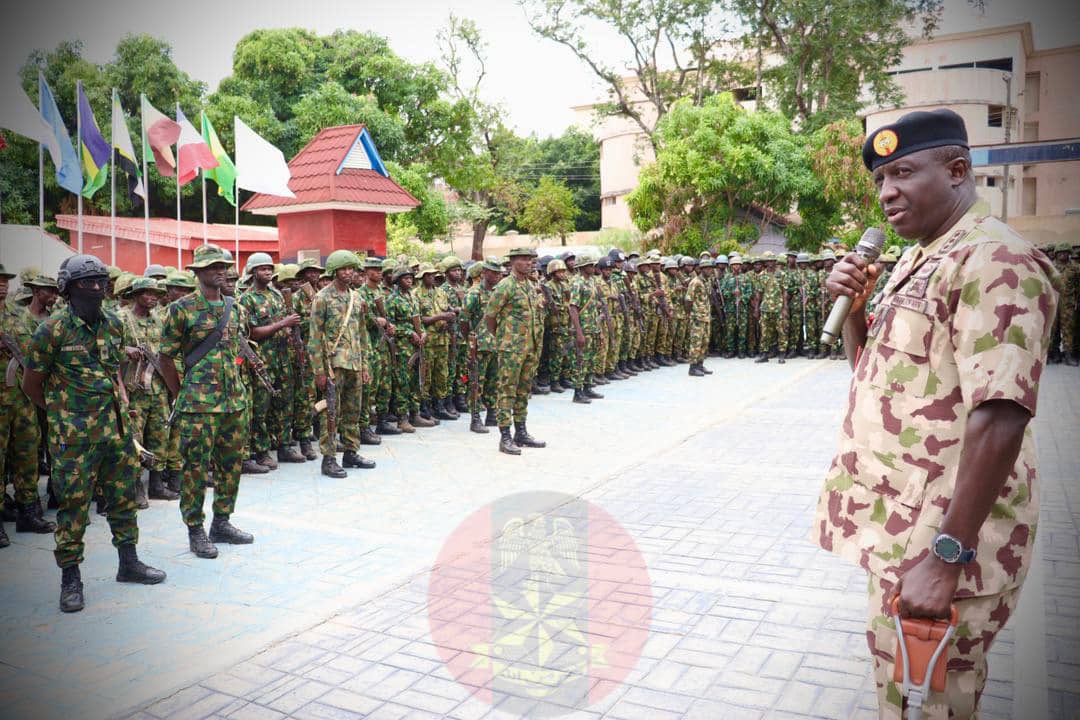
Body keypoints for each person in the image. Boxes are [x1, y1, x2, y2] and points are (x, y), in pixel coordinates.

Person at [811, 108, 1060, 719]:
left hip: (947, 544)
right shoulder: (921, 257)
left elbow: (1002, 414)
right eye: (878, 180)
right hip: (904, 534)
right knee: (901, 696)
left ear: (956, 170)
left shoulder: (994, 261)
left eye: (901, 172)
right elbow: (880, 375)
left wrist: (948, 556)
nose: (886, 191)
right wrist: (857, 311)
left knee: (933, 705)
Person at [23, 255, 166, 612]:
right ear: (68, 288)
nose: (98, 288)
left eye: (101, 281)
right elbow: (32, 385)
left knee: (124, 501)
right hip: (73, 440)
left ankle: (129, 563)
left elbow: (113, 368)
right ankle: (70, 578)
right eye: (88, 281)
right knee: (73, 508)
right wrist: (63, 415)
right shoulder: (52, 330)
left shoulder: (113, 324)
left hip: (116, 433)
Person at [160, 244, 255, 560]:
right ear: (197, 272)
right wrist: (179, 393)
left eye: (223, 265)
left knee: (231, 466)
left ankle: (222, 521)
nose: (220, 270)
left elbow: (235, 351)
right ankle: (195, 529)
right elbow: (165, 358)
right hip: (199, 406)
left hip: (233, 402)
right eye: (212, 266)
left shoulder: (235, 307)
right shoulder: (181, 309)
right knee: (195, 469)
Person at [308, 250, 375, 478]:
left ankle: (351, 451)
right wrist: (319, 371)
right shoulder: (322, 298)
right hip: (333, 365)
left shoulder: (357, 298)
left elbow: (362, 334)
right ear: (334, 271)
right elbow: (315, 337)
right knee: (331, 413)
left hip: (354, 362)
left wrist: (365, 365)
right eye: (343, 269)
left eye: (351, 269)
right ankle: (328, 459)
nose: (348, 273)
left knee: (353, 411)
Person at [119, 278, 179, 505]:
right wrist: (125, 349)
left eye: (156, 294)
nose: (153, 297)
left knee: (160, 436)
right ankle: (135, 487)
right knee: (134, 438)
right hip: (134, 389)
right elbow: (106, 349)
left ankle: (156, 484)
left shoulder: (160, 320)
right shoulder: (123, 319)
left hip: (158, 388)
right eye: (148, 293)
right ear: (135, 295)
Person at [485, 247, 545, 455]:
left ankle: (521, 432)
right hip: (511, 349)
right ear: (513, 262)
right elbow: (490, 317)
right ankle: (505, 436)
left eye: (531, 259)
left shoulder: (530, 285)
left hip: (530, 347)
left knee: (523, 390)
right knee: (507, 390)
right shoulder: (505, 286)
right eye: (525, 259)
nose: (530, 263)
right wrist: (503, 339)